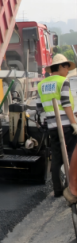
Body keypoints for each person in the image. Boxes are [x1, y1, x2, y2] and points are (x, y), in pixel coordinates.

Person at [36, 54, 77, 198]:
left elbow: (39, 107)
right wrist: (74, 123)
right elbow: (66, 104)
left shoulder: (41, 84)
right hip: (66, 126)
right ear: (59, 67)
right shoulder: (63, 81)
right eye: (66, 67)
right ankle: (73, 189)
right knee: (73, 156)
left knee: (57, 158)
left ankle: (58, 190)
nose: (67, 70)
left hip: (53, 127)